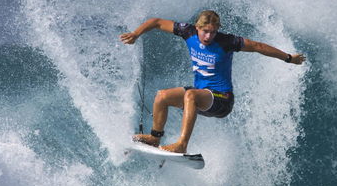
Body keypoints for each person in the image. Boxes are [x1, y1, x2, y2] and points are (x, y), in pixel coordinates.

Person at [119, 10, 305, 153]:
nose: (208, 36)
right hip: (201, 97)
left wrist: (289, 58)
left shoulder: (227, 41)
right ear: (197, 27)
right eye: (205, 31)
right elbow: (157, 22)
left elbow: (258, 46)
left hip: (222, 100)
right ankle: (154, 138)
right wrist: (136, 34)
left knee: (190, 95)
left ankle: (182, 144)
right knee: (162, 96)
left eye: (213, 32)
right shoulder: (187, 32)